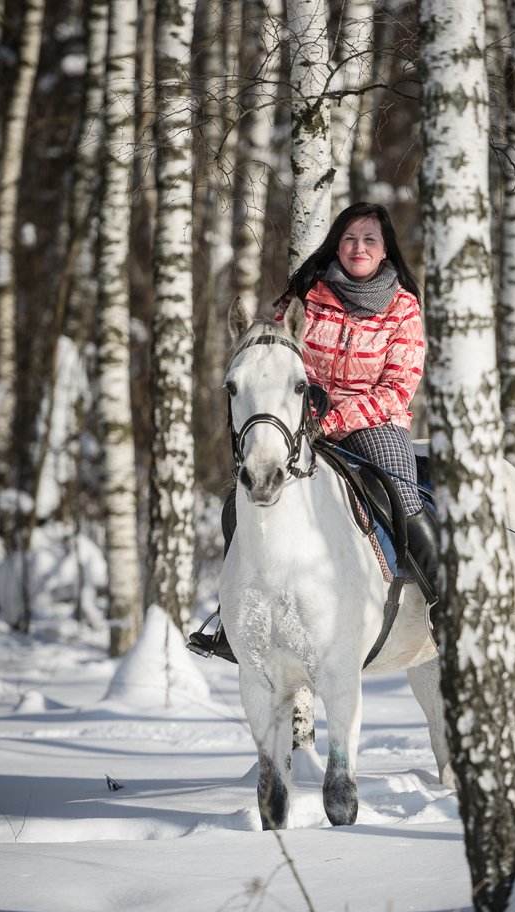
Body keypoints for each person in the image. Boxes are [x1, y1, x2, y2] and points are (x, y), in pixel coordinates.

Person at [189, 202, 438, 662]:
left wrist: (336, 419)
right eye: (349, 238)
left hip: (374, 423)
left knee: (401, 491)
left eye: (369, 240)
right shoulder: (308, 292)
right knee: (241, 499)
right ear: (336, 244)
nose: (358, 247)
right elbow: (276, 357)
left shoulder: (403, 307)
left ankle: (444, 602)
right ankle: (232, 618)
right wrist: (297, 410)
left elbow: (398, 387)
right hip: (303, 418)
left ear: (385, 250)